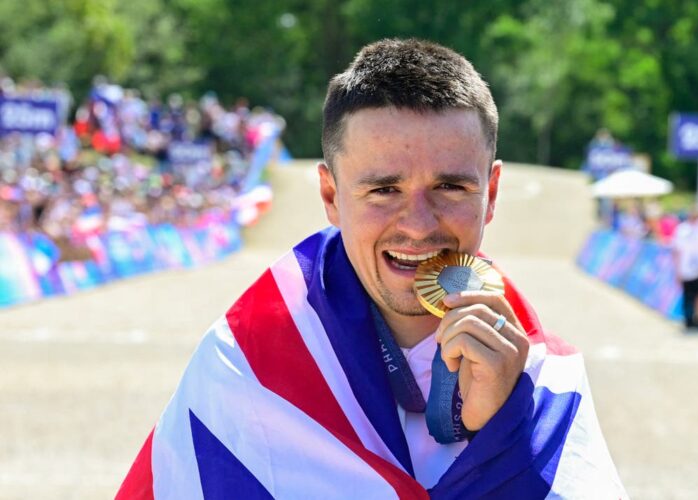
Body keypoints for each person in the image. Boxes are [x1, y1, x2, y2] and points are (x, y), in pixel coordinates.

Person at [117, 39, 626, 499]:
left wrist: (506, 436)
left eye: (451, 187)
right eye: (384, 190)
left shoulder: (547, 379)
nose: (419, 225)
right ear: (331, 195)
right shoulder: (244, 369)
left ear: (490, 195)